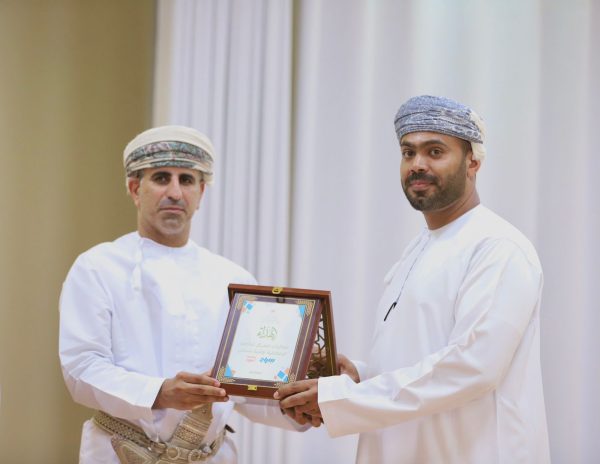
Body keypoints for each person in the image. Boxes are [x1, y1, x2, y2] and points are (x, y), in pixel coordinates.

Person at [275, 95, 550, 463]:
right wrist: (360, 377)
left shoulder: (498, 247)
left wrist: (345, 399)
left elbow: (473, 367)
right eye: (408, 152)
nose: (418, 164)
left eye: (435, 151)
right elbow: (420, 355)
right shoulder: (419, 248)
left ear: (473, 161)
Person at [59, 126, 305, 464]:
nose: (175, 192)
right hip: (120, 454)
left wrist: (299, 407)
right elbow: (81, 369)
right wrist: (160, 393)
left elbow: (248, 387)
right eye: (161, 178)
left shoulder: (233, 279)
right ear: (135, 189)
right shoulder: (97, 267)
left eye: (187, 180)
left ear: (201, 193)